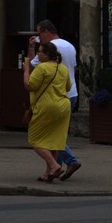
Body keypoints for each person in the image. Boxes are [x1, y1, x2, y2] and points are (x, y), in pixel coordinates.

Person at [28, 19, 82, 181]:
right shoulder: (70, 46)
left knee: (48, 135)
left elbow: (33, 67)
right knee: (57, 131)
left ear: (46, 32)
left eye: (39, 33)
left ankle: (68, 161)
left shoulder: (49, 48)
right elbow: (72, 68)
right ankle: (52, 170)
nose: (38, 37)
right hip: (71, 93)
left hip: (53, 97)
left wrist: (31, 49)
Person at [23, 41, 71, 182]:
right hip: (63, 106)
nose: (38, 54)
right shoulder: (63, 68)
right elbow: (68, 87)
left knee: (35, 139)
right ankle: (48, 173)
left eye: (40, 52)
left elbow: (30, 85)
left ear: (47, 54)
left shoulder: (42, 68)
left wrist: (26, 71)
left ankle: (54, 165)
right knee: (53, 140)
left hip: (47, 106)